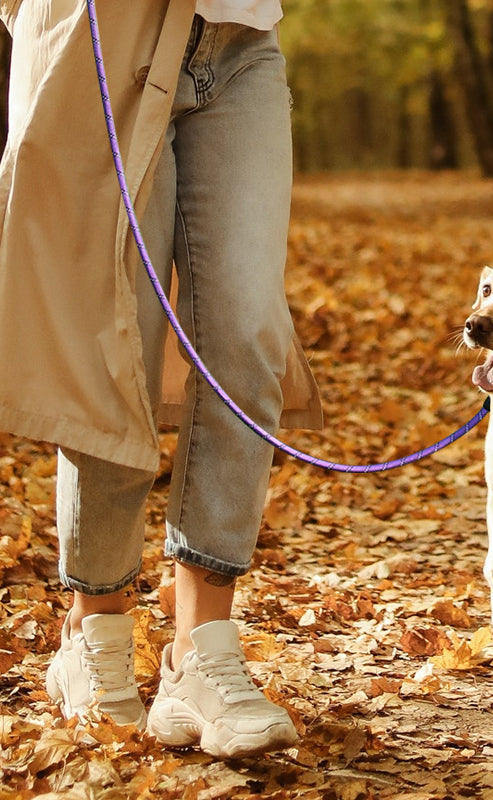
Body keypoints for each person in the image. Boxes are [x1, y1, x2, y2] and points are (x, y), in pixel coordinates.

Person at [0, 0, 322, 759]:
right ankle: (95, 630)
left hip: (240, 42)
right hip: (101, 36)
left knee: (245, 332)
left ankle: (200, 653)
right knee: (116, 335)